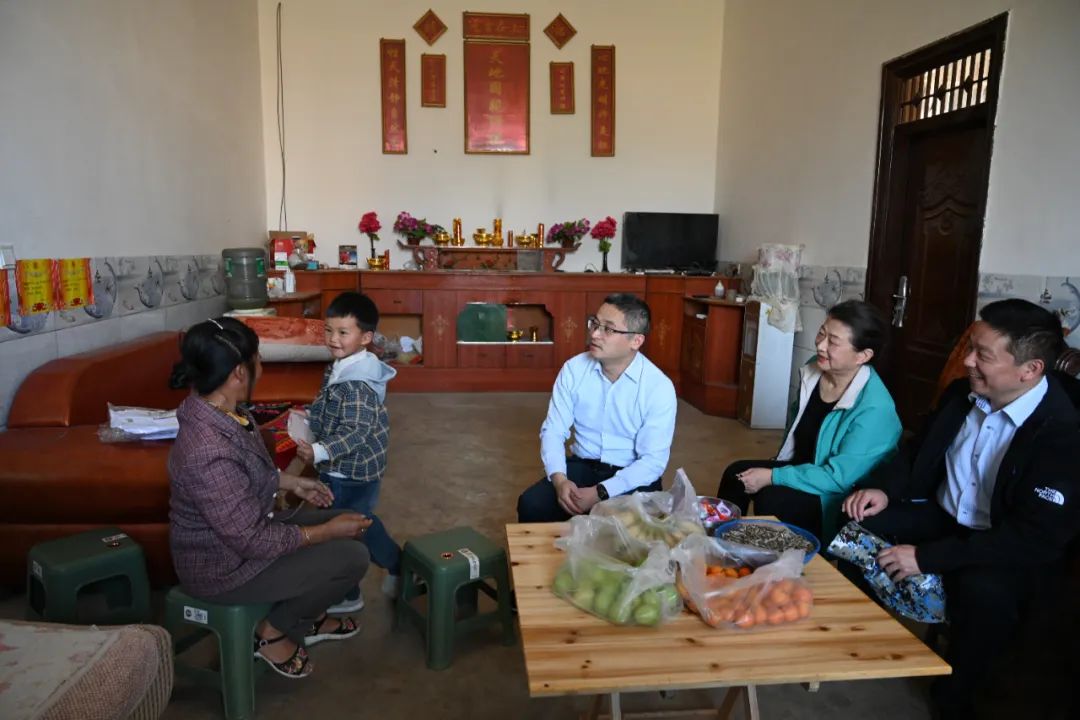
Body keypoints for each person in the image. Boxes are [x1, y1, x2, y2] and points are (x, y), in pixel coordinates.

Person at [840, 299, 1080, 719]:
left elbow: (1032, 538)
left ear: (1030, 370)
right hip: (944, 515)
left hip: (1003, 543)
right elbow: (918, 454)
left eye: (982, 355)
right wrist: (884, 490)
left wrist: (926, 557)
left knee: (984, 595)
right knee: (856, 519)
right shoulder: (961, 395)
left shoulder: (1063, 433)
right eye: (970, 347)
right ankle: (854, 636)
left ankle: (956, 696)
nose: (967, 361)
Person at [169, 317, 371, 680]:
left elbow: (243, 475)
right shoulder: (207, 450)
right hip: (224, 567)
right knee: (351, 555)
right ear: (238, 373)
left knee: (351, 525)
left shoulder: (224, 410)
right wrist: (323, 533)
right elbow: (252, 540)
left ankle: (306, 617)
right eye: (257, 359)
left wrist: (290, 482)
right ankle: (272, 632)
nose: (261, 365)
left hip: (248, 531)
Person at [715, 300, 901, 541]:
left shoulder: (875, 408)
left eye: (833, 342)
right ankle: (718, 544)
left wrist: (773, 476)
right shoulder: (813, 369)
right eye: (822, 333)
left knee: (771, 498)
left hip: (839, 494)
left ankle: (783, 559)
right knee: (736, 475)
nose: (821, 345)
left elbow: (837, 478)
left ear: (863, 356)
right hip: (805, 469)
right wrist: (776, 468)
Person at [516, 293, 677, 522]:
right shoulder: (574, 369)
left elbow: (652, 462)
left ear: (636, 341)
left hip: (633, 476)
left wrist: (600, 492)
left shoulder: (658, 387)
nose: (594, 334)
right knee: (532, 505)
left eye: (608, 329)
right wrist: (560, 479)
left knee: (627, 527)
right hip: (583, 467)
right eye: (594, 323)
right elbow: (553, 430)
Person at [294, 292, 402, 613]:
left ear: (365, 337)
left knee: (348, 529)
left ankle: (350, 592)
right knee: (355, 522)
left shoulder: (357, 384)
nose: (333, 339)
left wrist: (318, 451)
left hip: (351, 471)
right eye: (329, 330)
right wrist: (310, 417)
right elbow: (330, 405)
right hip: (345, 467)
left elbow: (356, 432)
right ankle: (395, 565)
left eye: (343, 332)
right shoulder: (342, 366)